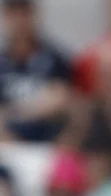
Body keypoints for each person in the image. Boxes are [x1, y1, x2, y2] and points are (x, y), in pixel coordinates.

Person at [0, 0, 73, 142]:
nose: (20, 22)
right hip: (7, 143)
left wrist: (12, 112)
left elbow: (60, 101)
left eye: (24, 14)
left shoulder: (55, 59)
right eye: (14, 15)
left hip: (48, 141)